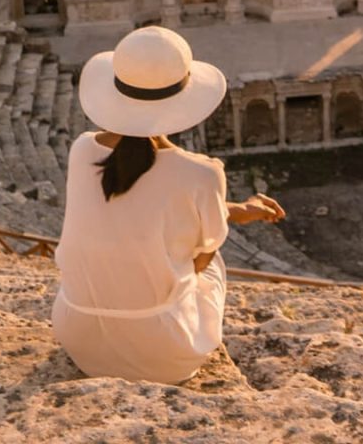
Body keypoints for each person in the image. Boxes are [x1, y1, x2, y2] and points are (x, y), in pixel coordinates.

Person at [52, 25, 285, 384]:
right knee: (212, 256)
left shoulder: (82, 149)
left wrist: (237, 208)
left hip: (79, 338)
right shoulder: (202, 173)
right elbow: (198, 256)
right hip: (162, 353)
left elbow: (141, 204)